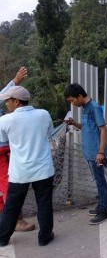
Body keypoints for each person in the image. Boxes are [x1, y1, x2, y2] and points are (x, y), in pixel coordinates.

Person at [0, 86, 55, 247]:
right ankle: (44, 237)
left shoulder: (5, 120)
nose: (6, 104)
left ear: (17, 101)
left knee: (12, 205)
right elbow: (49, 134)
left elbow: (4, 142)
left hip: (19, 171)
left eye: (8, 101)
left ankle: (3, 238)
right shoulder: (43, 114)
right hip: (43, 169)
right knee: (44, 203)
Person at [64, 83, 107, 225]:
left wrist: (100, 152)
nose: (73, 103)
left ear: (79, 96)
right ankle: (101, 206)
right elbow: (87, 127)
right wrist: (75, 123)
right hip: (90, 152)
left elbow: (103, 130)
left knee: (100, 181)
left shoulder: (94, 108)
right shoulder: (85, 108)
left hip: (96, 153)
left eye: (72, 100)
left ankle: (104, 210)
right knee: (97, 180)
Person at [0, 67, 35, 232]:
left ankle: (6, 216)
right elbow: (2, 97)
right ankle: (16, 220)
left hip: (5, 148)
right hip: (2, 151)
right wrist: (15, 82)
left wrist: (15, 81)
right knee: (9, 183)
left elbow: (2, 96)